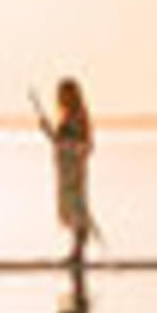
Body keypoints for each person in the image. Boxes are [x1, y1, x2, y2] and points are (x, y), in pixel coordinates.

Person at [34, 76, 97, 269]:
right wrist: (47, 131)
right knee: (70, 207)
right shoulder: (68, 116)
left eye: (63, 94)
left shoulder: (78, 117)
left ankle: (78, 253)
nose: (60, 98)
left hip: (74, 169)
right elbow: (59, 141)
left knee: (77, 206)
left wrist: (64, 143)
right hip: (65, 168)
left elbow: (83, 144)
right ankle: (75, 252)